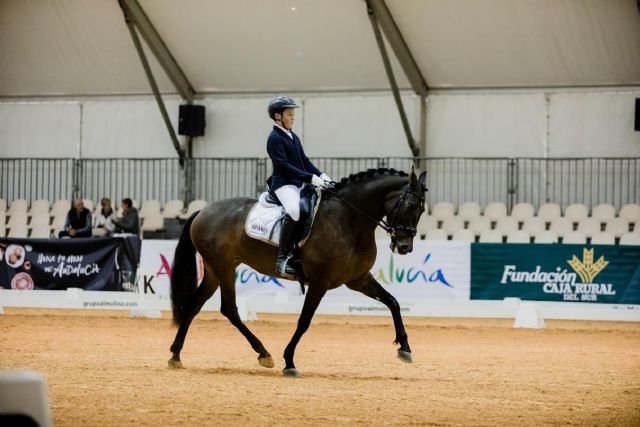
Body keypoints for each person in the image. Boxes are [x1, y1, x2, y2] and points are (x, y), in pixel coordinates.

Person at [266, 96, 334, 278]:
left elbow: (304, 161)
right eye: (289, 114)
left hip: (298, 182)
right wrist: (309, 178)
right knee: (295, 211)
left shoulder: (292, 136)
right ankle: (282, 259)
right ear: (278, 116)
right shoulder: (274, 138)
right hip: (283, 184)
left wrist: (322, 176)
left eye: (293, 114)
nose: (293, 117)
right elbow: (284, 166)